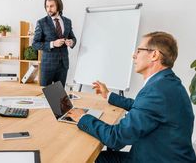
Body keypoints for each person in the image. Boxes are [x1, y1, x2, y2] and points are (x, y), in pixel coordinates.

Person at [67, 31, 196, 163]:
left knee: (89, 158)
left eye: (139, 51)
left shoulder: (156, 90)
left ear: (154, 55)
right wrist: (109, 95)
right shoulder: (167, 82)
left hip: (155, 159)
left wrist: (82, 117)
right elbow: (142, 107)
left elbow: (115, 139)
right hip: (162, 155)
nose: (134, 55)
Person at [32, 0, 76, 87]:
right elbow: (35, 44)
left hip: (63, 65)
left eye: (51, 6)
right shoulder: (41, 22)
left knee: (59, 98)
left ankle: (58, 102)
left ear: (58, 6)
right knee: (44, 96)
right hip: (47, 66)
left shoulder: (67, 21)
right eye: (47, 6)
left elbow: (73, 37)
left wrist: (71, 42)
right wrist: (52, 44)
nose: (49, 9)